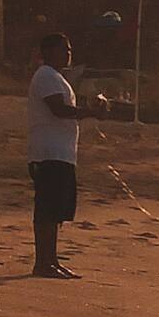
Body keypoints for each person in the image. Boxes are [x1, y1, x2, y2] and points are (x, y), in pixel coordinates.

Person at [28, 33, 106, 280]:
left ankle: (51, 260)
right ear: (49, 51)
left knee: (56, 211)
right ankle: (43, 262)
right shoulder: (45, 75)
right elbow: (59, 109)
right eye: (64, 49)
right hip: (48, 153)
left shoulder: (57, 77)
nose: (68, 53)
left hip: (61, 153)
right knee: (46, 211)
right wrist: (89, 112)